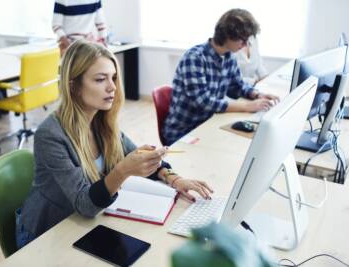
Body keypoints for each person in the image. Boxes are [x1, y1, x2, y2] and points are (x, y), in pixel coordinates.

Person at [15, 40, 214, 249]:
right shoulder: (51, 134)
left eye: (114, 78)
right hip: (44, 233)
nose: (112, 87)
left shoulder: (100, 120)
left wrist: (174, 179)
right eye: (100, 79)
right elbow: (85, 204)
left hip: (81, 225)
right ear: (73, 85)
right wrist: (122, 171)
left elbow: (138, 155)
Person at [162, 9, 279, 146]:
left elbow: (237, 86)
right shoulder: (195, 58)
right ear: (227, 35)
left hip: (210, 122)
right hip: (185, 132)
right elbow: (203, 102)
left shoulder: (229, 56)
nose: (246, 45)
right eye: (243, 39)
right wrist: (247, 106)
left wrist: (258, 95)